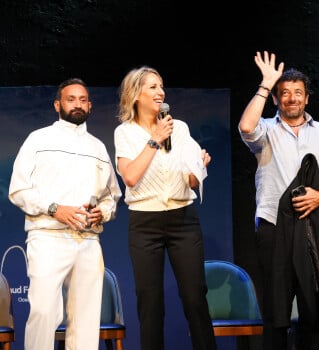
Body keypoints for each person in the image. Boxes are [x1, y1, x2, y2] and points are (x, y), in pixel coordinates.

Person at [238, 51, 319, 350]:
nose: (291, 99)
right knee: (276, 312)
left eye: (297, 93)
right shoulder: (267, 130)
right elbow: (246, 128)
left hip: (313, 227)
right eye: (284, 93)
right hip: (274, 228)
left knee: (312, 312)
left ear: (307, 99)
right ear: (276, 99)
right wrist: (266, 84)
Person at [8, 78, 122, 350]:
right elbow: (18, 189)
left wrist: (102, 214)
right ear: (57, 104)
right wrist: (55, 209)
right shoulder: (38, 139)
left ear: (90, 106)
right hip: (48, 236)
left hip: (88, 241)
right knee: (44, 313)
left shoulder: (98, 147)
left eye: (83, 100)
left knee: (86, 321)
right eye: (71, 99)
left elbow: (112, 196)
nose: (77, 104)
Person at [113, 66, 216, 350]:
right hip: (145, 222)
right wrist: (155, 139)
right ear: (136, 94)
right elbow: (131, 177)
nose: (161, 92)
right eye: (153, 87)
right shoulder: (125, 133)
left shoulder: (178, 127)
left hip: (183, 218)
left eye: (161, 86)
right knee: (150, 301)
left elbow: (191, 181)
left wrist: (199, 168)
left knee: (195, 296)